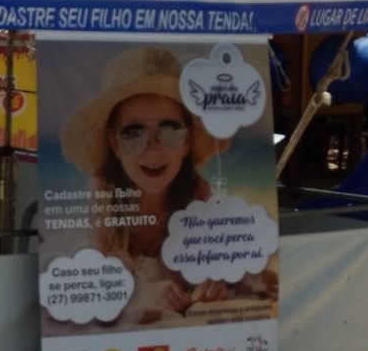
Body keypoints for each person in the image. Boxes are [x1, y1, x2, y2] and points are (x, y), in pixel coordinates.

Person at [59, 46, 271, 325]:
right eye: (134, 133)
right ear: (115, 145)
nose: (153, 148)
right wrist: (145, 293)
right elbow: (96, 278)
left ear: (186, 142)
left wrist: (212, 284)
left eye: (169, 130)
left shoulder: (198, 192)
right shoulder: (104, 189)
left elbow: (218, 260)